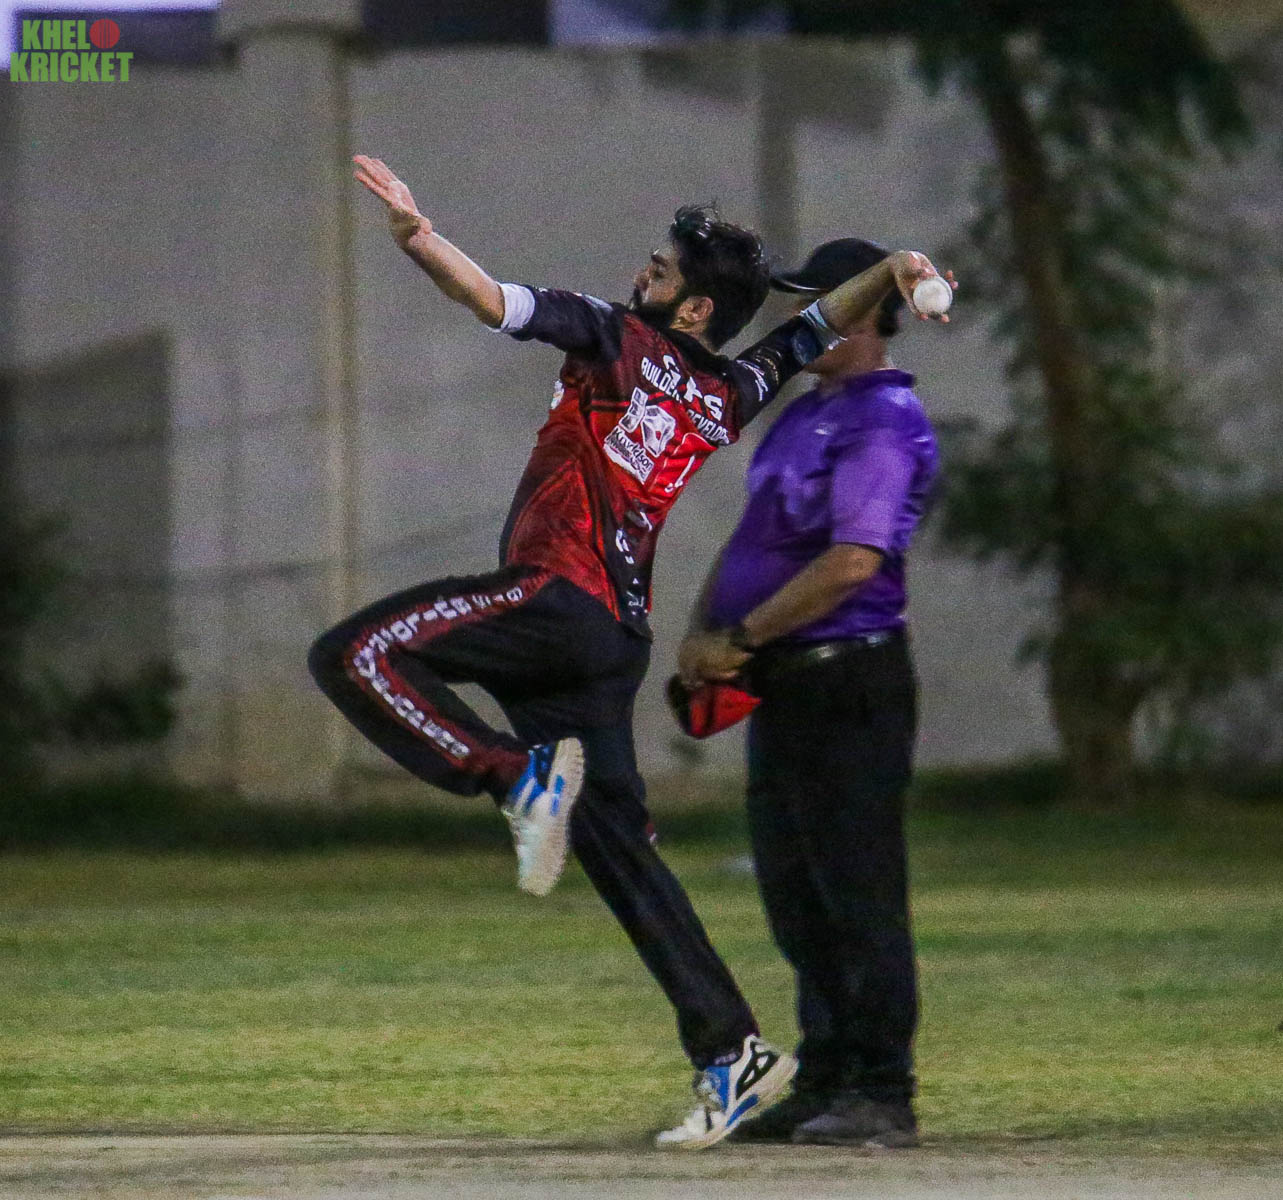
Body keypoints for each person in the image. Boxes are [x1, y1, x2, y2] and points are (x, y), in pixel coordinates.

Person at [308, 158, 949, 1148]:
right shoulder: (729, 390)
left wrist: (420, 240)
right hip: (613, 640)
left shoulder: (612, 333)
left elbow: (489, 298)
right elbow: (818, 325)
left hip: (556, 598)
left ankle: (509, 777)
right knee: (617, 849)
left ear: (690, 306)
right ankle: (729, 1052)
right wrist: (899, 264)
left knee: (354, 656)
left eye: (658, 267)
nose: (639, 273)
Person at [677, 238, 946, 1148]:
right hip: (787, 683)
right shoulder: (806, 410)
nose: (799, 318)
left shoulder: (882, 418)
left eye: (817, 300)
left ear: (867, 308)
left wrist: (743, 636)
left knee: (856, 892)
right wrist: (706, 630)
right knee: (797, 894)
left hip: (847, 680)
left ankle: (881, 1088)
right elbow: (759, 534)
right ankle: (826, 1076)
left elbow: (851, 562)